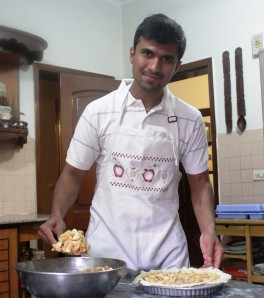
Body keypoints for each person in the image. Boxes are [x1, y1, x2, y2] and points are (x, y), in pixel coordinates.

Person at [39, 13, 224, 276]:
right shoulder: (98, 112)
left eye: (167, 59)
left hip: (168, 257)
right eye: (147, 53)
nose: (155, 66)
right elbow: (72, 173)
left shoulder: (189, 119)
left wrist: (209, 231)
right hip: (106, 256)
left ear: (177, 65)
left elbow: (199, 184)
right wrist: (57, 213)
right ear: (132, 53)